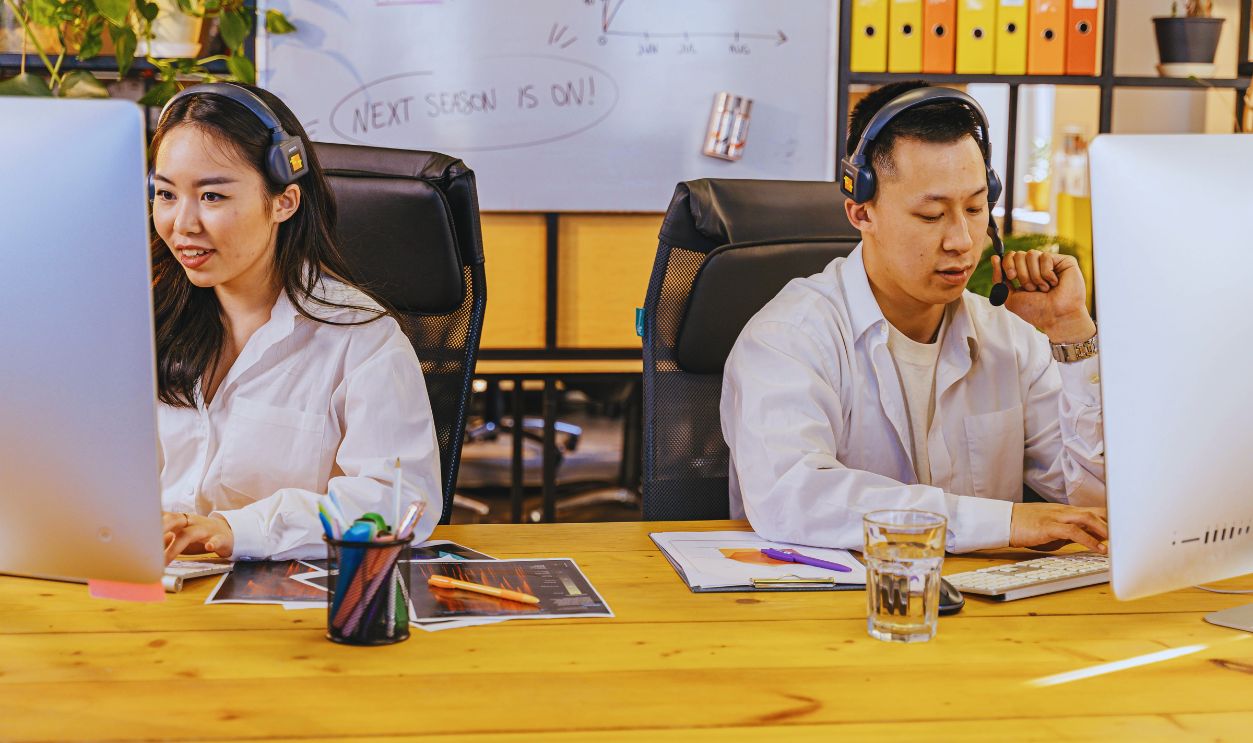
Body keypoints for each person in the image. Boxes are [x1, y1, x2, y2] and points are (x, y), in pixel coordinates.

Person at [720, 81, 1107, 554]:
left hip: (990, 616)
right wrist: (1004, 522)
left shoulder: (1010, 338)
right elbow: (793, 498)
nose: (962, 240)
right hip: (827, 613)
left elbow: (1098, 506)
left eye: (975, 207)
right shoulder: (787, 339)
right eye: (931, 215)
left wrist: (1072, 335)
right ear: (861, 212)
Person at [151, 82, 441, 563]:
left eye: (213, 197)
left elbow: (401, 501)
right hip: (148, 592)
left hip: (286, 607)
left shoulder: (362, 340)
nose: (182, 223)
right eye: (165, 194)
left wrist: (237, 528)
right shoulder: (145, 320)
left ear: (283, 201)